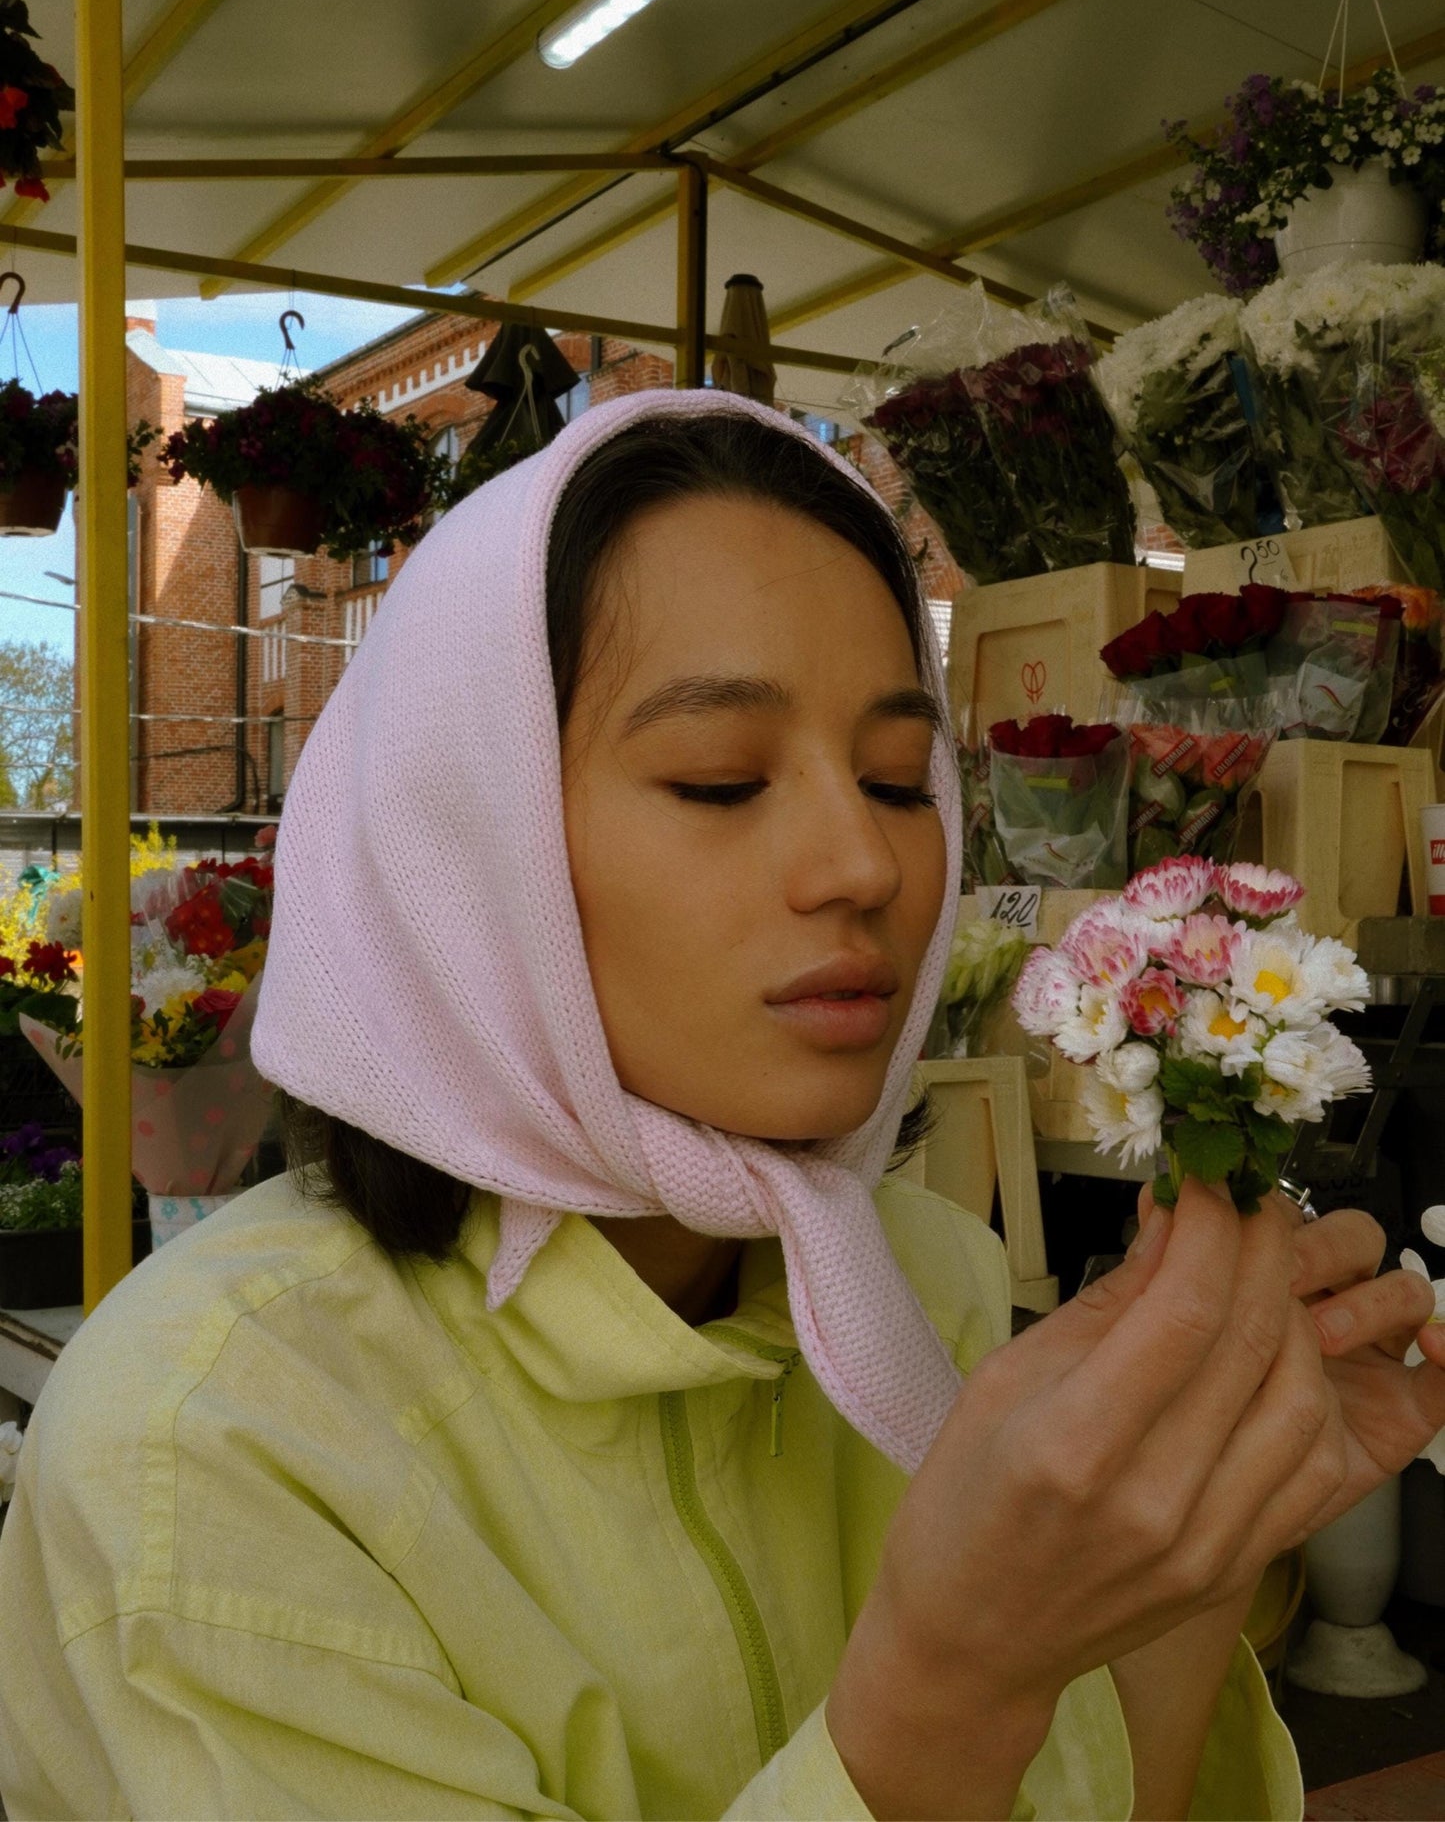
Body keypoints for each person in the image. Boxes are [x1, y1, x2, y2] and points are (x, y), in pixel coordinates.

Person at [0, 389, 1442, 1822]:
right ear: (463, 849)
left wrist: (1177, 1566)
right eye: (717, 779)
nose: (862, 866)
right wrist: (955, 1677)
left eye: (893, 779)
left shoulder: (913, 1280)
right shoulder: (217, 1444)